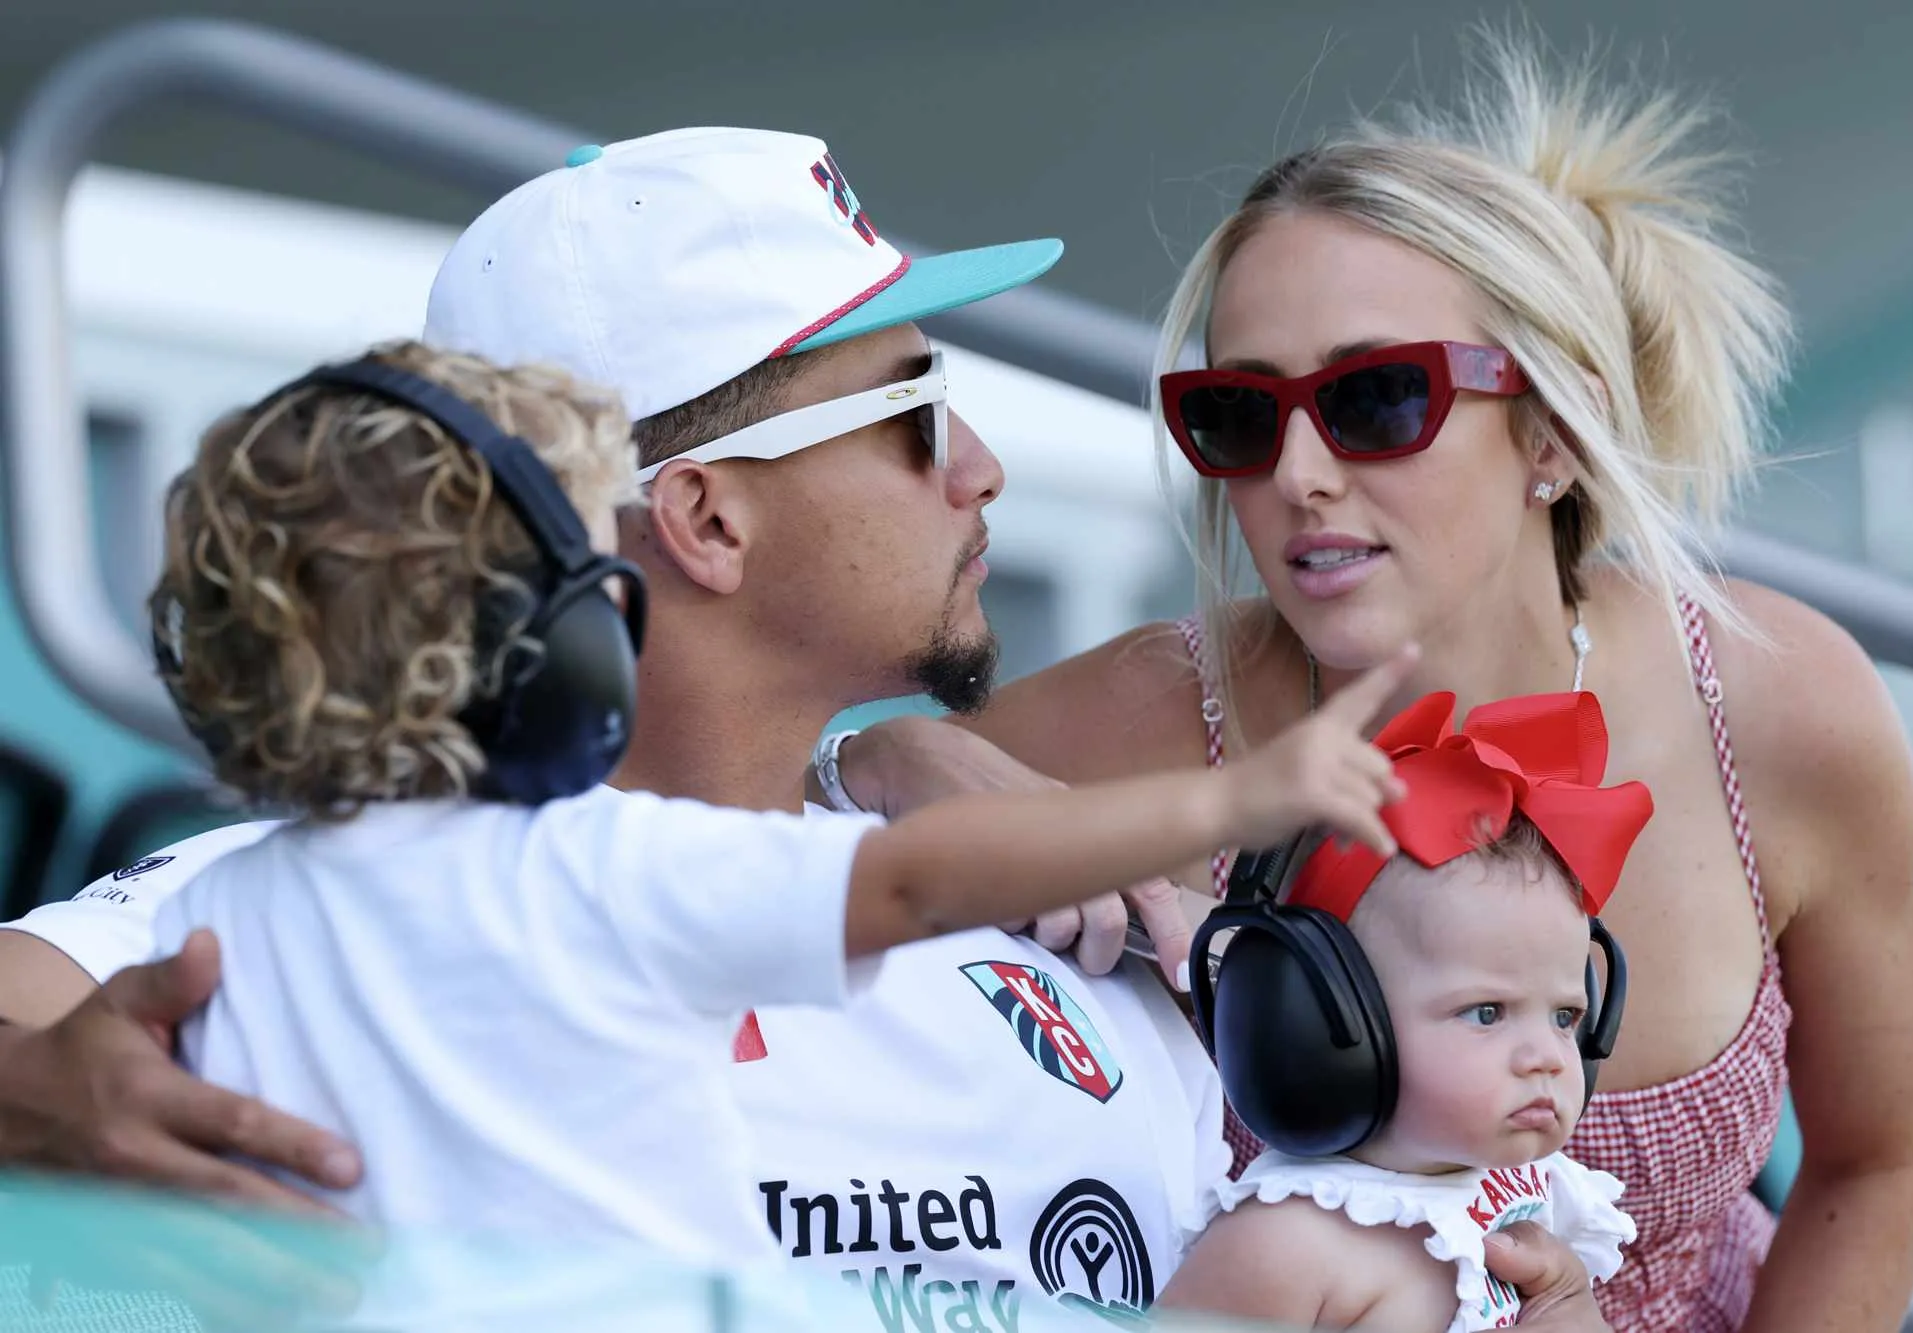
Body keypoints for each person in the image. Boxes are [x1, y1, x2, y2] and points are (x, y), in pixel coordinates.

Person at [0, 125, 1616, 1331]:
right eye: (912, 411)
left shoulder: (1075, 928)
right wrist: (27, 1108)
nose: (979, 460)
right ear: (700, 520)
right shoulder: (298, 913)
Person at [822, 30, 1913, 1333]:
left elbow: (1876, 1166)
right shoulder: (1125, 723)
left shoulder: (1771, 703)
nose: (1296, 472)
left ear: (1554, 433)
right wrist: (886, 756)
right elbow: (682, 854)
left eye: (1372, 400)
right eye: (1238, 415)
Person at [1157, 690, 1648, 1333]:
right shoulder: (1288, 1247)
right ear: (1324, 1023)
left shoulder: (1525, 1196)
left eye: (1564, 1016)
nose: (1549, 1059)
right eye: (1487, 1013)